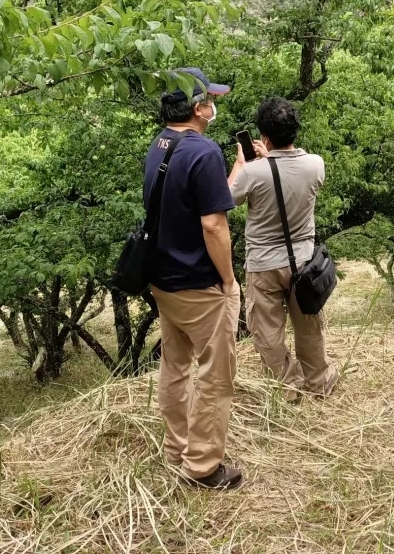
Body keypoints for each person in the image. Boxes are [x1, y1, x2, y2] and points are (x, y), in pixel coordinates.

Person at [146, 67, 243, 491]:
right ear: (200, 107)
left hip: (164, 279)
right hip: (200, 282)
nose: (214, 106)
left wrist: (236, 171)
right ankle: (203, 466)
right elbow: (213, 225)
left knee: (175, 363)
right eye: (211, 99)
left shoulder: (162, 144)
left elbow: (192, 198)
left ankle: (176, 447)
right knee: (216, 374)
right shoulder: (203, 150)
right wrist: (228, 281)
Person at [227, 97, 338, 397]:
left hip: (263, 264)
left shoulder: (252, 172)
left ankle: (288, 388)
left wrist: (242, 164)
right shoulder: (316, 164)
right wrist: (270, 158)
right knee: (309, 326)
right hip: (304, 261)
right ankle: (319, 381)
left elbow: (226, 199)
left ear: (264, 137)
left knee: (267, 332)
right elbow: (289, 176)